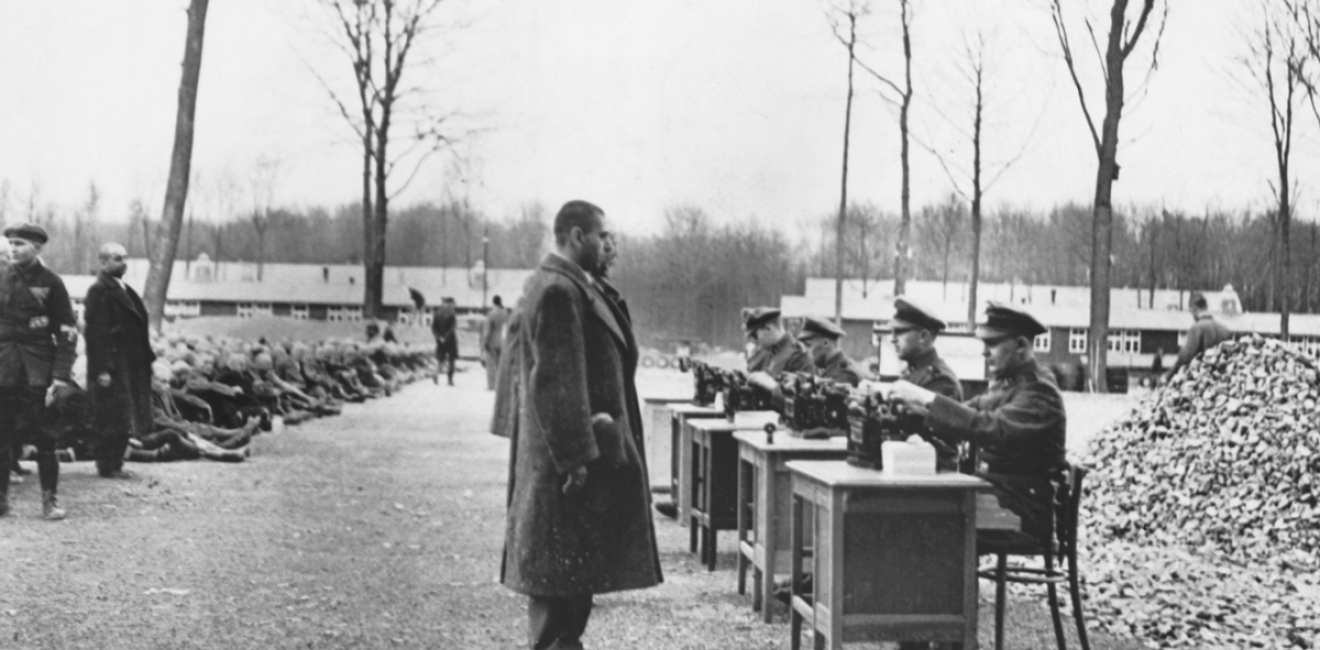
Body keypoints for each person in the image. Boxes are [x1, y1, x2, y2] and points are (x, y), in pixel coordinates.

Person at [500, 200, 661, 650]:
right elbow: (553, 381)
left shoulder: (573, 287)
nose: (608, 243)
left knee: (570, 591)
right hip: (567, 471)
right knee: (558, 596)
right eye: (601, 235)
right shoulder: (558, 290)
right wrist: (575, 460)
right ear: (576, 236)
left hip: (578, 460)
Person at [884, 302, 1066, 546]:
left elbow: (989, 426)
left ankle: (944, 584)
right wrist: (917, 411)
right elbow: (969, 411)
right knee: (914, 513)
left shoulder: (1040, 391)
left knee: (922, 522)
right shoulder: (1011, 384)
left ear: (1021, 345)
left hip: (1022, 511)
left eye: (992, 344)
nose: (984, 352)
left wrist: (925, 397)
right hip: (999, 499)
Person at [0, 223, 78, 520]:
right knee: (1, 435)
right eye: (11, 243)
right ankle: (1, 500)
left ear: (37, 248)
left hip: (38, 372)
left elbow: (68, 330)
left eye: (20, 243)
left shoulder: (51, 282)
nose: (13, 248)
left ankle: (50, 500)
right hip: (4, 370)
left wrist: (59, 376)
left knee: (45, 436)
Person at [83, 242, 155, 479]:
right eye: (117, 258)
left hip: (130, 363)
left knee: (123, 413)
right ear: (103, 263)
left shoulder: (123, 288)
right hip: (113, 364)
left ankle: (116, 463)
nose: (123, 262)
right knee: (111, 414)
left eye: (124, 258)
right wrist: (102, 369)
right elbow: (95, 334)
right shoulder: (99, 291)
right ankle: (107, 464)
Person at [890, 296, 965, 471]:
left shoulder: (940, 381)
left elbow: (941, 449)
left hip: (929, 484)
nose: (892, 338)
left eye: (899, 332)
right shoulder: (911, 373)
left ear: (923, 335)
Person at [1164, 292, 1231, 382]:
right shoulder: (1224, 329)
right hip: (1222, 381)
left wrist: (1167, 376)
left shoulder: (1196, 328)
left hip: (1202, 381)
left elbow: (1185, 357)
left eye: (1191, 311)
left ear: (1195, 309)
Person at [797, 316, 863, 386]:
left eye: (808, 345)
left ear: (825, 343)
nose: (804, 351)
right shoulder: (828, 368)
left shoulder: (845, 373)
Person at [480, 295, 510, 391]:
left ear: (493, 302)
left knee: (491, 365)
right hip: (502, 340)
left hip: (491, 342)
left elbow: (488, 330)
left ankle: (491, 385)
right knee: (500, 365)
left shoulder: (491, 314)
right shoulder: (505, 313)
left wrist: (484, 343)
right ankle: (501, 384)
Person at [432, 297, 458, 386]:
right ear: (449, 303)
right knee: (452, 360)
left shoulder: (437, 313)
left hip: (440, 341)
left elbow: (433, 328)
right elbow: (452, 327)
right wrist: (445, 337)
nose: (453, 305)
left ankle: (435, 373)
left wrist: (439, 337)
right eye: (452, 303)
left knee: (440, 359)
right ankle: (450, 380)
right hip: (450, 340)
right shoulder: (452, 313)